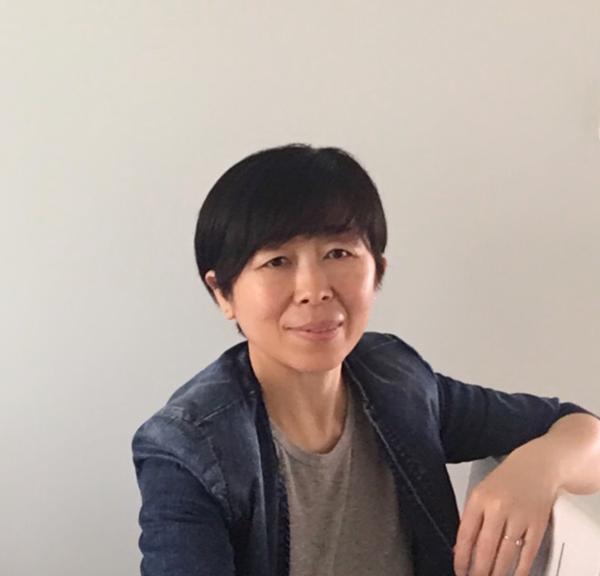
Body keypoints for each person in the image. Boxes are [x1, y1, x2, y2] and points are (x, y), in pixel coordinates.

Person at [131, 143, 600, 576]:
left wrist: (538, 469)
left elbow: (583, 431)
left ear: (378, 271)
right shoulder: (187, 448)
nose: (314, 289)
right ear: (222, 293)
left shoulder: (396, 380)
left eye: (338, 253)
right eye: (277, 261)